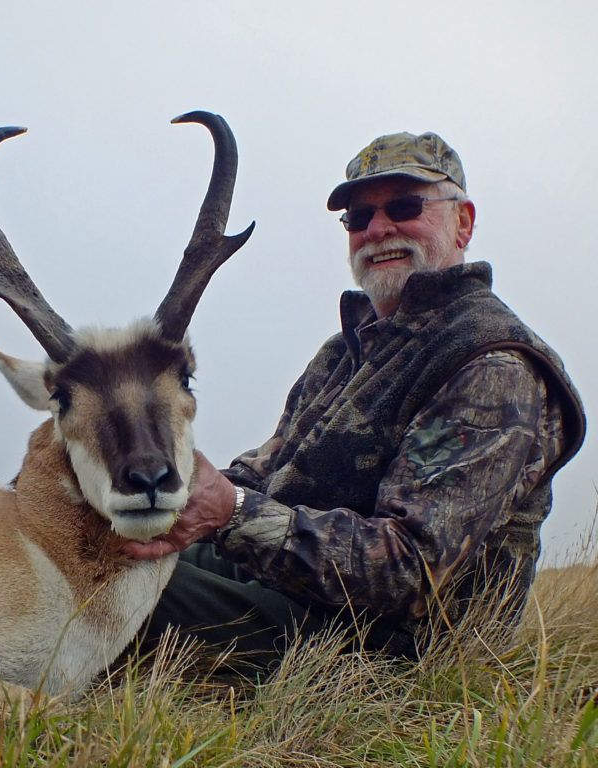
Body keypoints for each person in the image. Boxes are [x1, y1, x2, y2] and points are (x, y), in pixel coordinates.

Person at [125, 131, 586, 663]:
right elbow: (262, 476)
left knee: (112, 593)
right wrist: (152, 490)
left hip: (395, 650)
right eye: (359, 217)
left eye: (404, 206)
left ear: (463, 222)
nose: (378, 229)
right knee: (102, 553)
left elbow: (410, 573)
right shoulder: (343, 353)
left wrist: (231, 512)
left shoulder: (492, 365)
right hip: (296, 591)